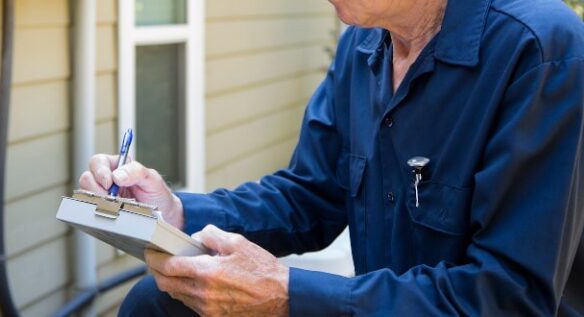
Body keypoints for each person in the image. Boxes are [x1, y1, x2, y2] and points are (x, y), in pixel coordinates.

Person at [79, 0, 584, 315]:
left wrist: (287, 293)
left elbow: (508, 297)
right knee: (159, 303)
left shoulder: (540, 49)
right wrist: (177, 212)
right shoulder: (362, 47)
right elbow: (310, 196)